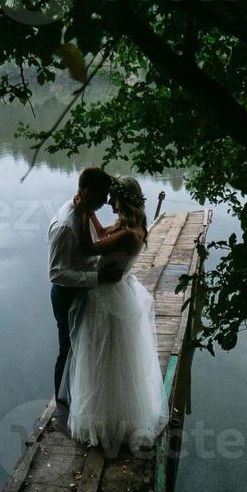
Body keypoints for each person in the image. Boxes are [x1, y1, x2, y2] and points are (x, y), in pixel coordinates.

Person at [61, 175, 166, 454]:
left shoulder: (129, 234)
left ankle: (107, 420)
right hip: (115, 293)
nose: (109, 202)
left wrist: (83, 213)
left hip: (109, 298)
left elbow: (89, 247)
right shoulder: (131, 225)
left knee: (104, 356)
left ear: (124, 198)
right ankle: (109, 416)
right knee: (110, 356)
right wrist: (92, 215)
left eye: (113, 198)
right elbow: (103, 233)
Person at [47, 167, 122, 429]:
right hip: (66, 294)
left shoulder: (85, 212)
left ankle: (80, 396)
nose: (105, 203)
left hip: (84, 290)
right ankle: (62, 405)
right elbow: (57, 273)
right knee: (66, 348)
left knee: (84, 347)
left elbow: (90, 247)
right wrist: (97, 278)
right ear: (88, 193)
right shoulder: (66, 225)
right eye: (102, 197)